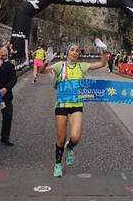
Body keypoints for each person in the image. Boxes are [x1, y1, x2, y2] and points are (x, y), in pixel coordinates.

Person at [39, 42, 108, 177]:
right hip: (62, 106)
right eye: (72, 50)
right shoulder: (60, 65)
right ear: (67, 53)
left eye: (77, 50)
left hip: (77, 105)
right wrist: (46, 61)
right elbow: (42, 71)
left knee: (75, 137)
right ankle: (58, 164)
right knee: (61, 137)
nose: (75, 52)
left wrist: (105, 50)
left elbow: (102, 64)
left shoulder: (82, 67)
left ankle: (70, 146)